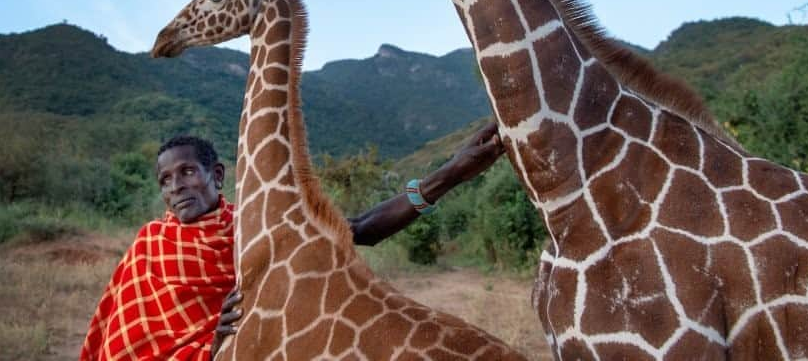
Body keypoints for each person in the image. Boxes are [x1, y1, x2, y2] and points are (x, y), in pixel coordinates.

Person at [80, 122, 504, 361]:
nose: (175, 187)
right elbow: (126, 343)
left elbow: (361, 228)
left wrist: (451, 173)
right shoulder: (151, 243)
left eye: (187, 171)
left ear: (218, 175)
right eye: (165, 180)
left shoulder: (257, 225)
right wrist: (211, 345)